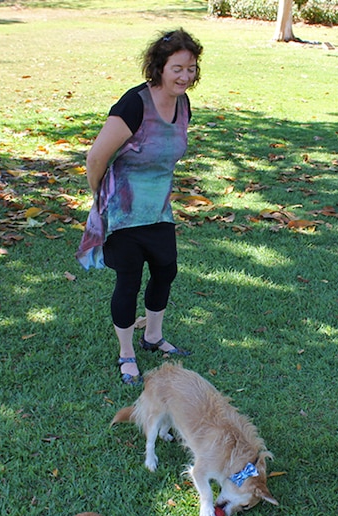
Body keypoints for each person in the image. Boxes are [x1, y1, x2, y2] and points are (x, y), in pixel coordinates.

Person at [76, 29, 203, 385]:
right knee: (128, 280)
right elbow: (97, 156)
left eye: (191, 68)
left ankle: (153, 337)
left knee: (166, 270)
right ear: (159, 67)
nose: (185, 76)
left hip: (159, 209)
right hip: (123, 210)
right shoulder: (134, 103)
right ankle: (126, 353)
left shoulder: (183, 104)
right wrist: (103, 196)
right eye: (177, 68)